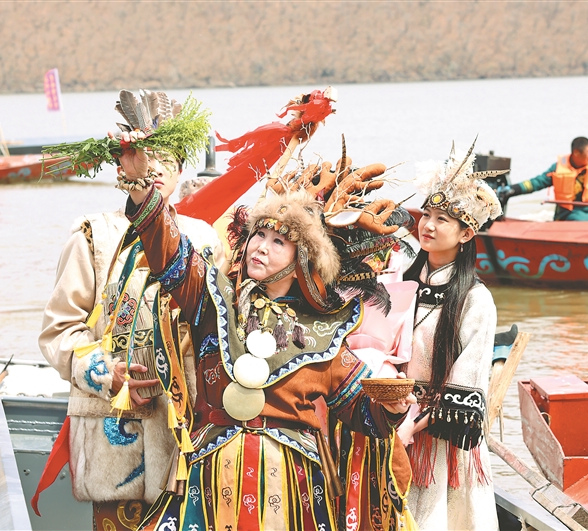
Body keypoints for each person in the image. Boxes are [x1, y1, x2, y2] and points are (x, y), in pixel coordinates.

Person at [115, 125, 417, 531]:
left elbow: (361, 411)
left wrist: (392, 407)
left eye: (279, 242)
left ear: (302, 260)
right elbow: (170, 254)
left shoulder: (324, 333)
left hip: (291, 488)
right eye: (259, 234)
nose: (260, 246)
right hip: (211, 476)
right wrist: (141, 187)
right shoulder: (212, 299)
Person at [35, 91, 224, 530]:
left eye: (167, 159)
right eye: (145, 156)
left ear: (180, 171)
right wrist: (107, 374)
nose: (154, 167)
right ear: (124, 167)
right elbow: (58, 331)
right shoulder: (93, 236)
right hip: (114, 439)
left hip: (188, 436)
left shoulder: (205, 239)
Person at [396, 142, 506, 530]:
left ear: (466, 233)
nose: (427, 225)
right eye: (426, 214)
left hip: (438, 438)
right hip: (393, 420)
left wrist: (411, 425)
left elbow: (467, 381)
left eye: (442, 219)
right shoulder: (399, 283)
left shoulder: (475, 299)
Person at [497, 136, 588, 220]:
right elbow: (538, 182)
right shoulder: (557, 169)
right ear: (576, 152)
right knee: (577, 219)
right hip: (568, 213)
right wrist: (513, 189)